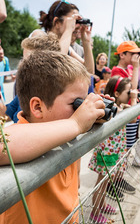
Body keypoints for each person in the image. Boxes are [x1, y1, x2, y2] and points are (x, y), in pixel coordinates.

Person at [0, 50, 106, 224]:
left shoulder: (67, 132)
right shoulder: (22, 134)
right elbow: (3, 141)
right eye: (76, 103)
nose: (81, 110)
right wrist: (76, 124)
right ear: (38, 108)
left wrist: (95, 116)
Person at [88, 76, 138, 223]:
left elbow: (128, 110)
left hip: (113, 151)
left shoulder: (119, 107)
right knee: (102, 183)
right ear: (116, 94)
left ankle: (102, 205)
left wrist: (132, 99)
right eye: (128, 92)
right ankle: (95, 213)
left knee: (106, 181)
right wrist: (134, 100)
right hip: (108, 152)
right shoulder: (112, 108)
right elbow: (133, 118)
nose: (130, 95)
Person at [0, 33, 61, 122]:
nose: (21, 65)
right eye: (22, 59)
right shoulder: (27, 89)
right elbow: (6, 114)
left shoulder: (56, 98)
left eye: (27, 61)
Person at [30, 0, 94, 74]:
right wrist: (68, 30)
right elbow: (54, 68)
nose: (76, 26)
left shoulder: (66, 48)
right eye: (73, 21)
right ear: (57, 22)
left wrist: (86, 42)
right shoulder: (38, 35)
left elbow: (89, 71)